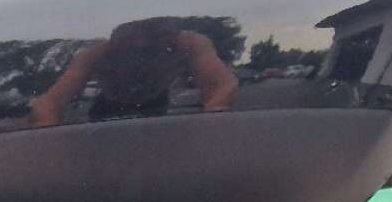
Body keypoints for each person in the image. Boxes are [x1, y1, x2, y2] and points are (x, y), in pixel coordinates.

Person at [29, 17, 239, 127]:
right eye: (133, 35)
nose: (142, 44)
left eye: (155, 33)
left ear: (173, 29)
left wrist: (213, 121)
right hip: (106, 112)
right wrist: (49, 145)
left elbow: (222, 85)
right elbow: (49, 103)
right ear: (115, 35)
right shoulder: (96, 53)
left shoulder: (190, 42)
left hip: (160, 105)